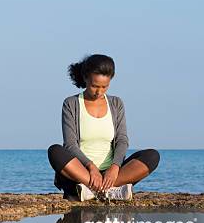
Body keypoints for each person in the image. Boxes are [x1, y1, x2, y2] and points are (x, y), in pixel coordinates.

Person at [47, 54, 160, 201]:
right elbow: (70, 144)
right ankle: (102, 189)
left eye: (104, 87)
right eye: (95, 86)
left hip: (112, 174)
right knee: (54, 151)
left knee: (152, 156)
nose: (99, 92)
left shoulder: (116, 103)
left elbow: (122, 140)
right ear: (86, 78)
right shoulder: (71, 103)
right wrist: (91, 167)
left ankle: (98, 190)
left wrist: (114, 167)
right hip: (82, 173)